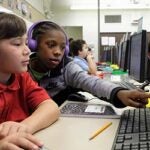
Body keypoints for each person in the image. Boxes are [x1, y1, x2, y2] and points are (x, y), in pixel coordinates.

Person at [28, 20, 150, 107]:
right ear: (33, 45)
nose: (57, 52)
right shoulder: (21, 71)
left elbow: (92, 82)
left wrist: (119, 93)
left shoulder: (66, 67)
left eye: (62, 48)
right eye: (51, 45)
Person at [0, 12, 59, 139]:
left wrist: (24, 127)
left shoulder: (22, 78)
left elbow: (51, 107)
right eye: (17, 44)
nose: (27, 50)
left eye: (26, 43)